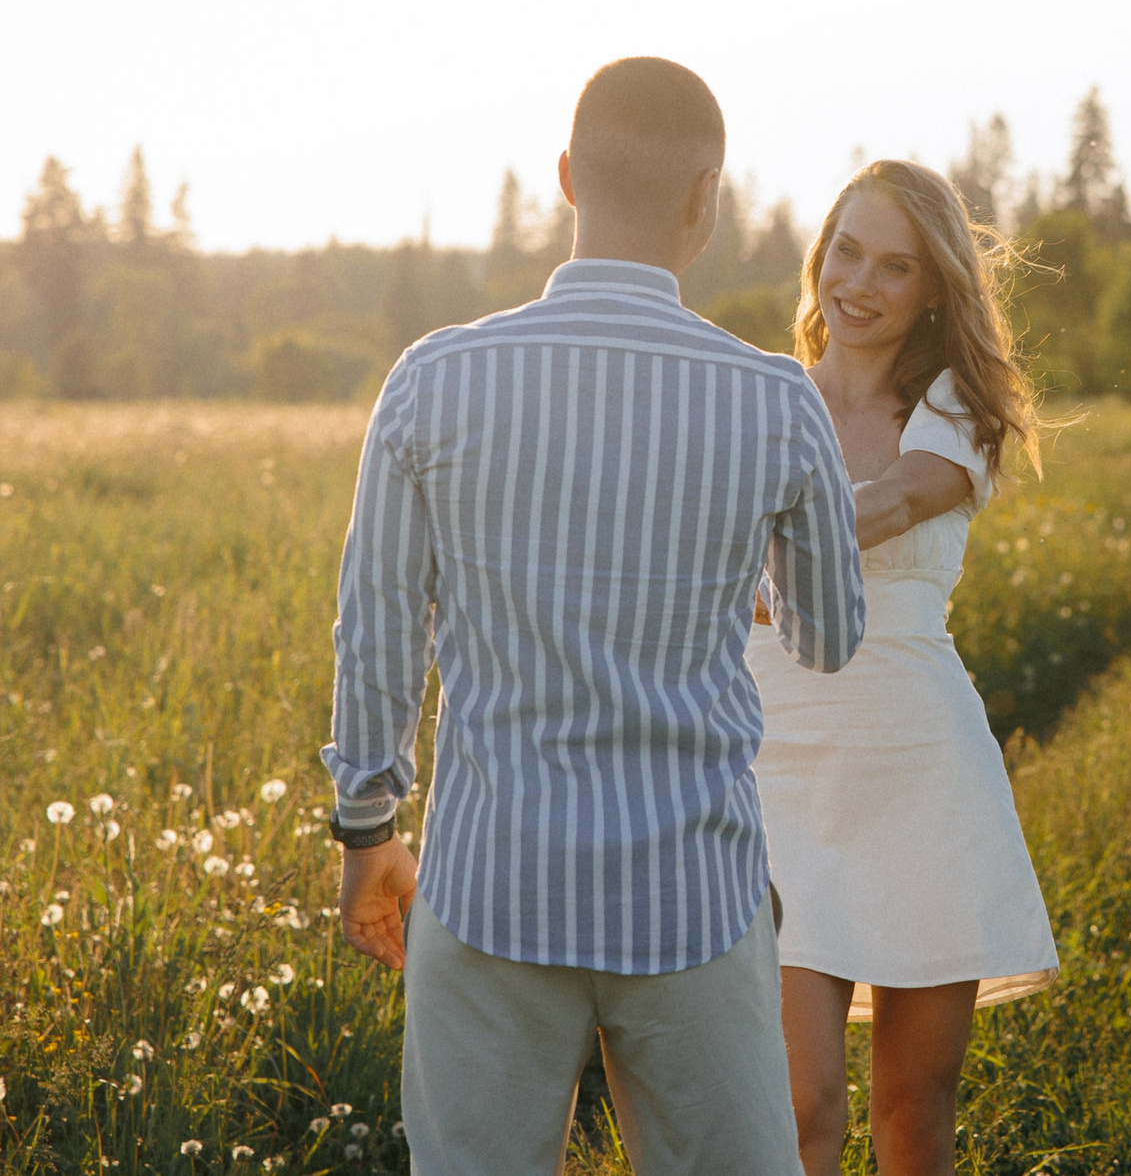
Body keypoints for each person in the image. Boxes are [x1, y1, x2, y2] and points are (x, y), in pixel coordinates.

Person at [323, 57, 865, 1176]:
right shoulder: (775, 399)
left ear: (567, 177)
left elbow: (375, 628)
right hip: (696, 900)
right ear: (706, 199)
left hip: (486, 888)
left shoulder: (432, 379)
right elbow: (828, 635)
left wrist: (367, 833)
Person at [747, 159, 1061, 1176]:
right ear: (818, 254)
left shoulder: (956, 410)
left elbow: (881, 508)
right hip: (771, 774)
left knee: (913, 1115)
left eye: (896, 267)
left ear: (933, 291)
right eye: (846, 251)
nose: (861, 284)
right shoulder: (756, 404)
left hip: (917, 771)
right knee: (795, 1106)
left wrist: (739, 550)